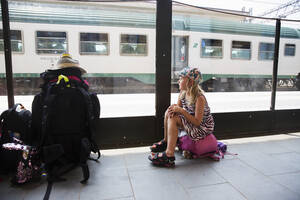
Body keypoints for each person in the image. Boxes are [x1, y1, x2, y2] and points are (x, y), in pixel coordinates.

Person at [148, 67, 216, 167]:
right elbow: (179, 109)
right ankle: (167, 142)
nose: (178, 80)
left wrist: (181, 111)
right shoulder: (183, 93)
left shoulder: (199, 98)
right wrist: (175, 108)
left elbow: (197, 122)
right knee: (169, 112)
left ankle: (169, 155)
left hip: (202, 127)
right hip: (190, 121)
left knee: (174, 118)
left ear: (190, 82)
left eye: (181, 78)